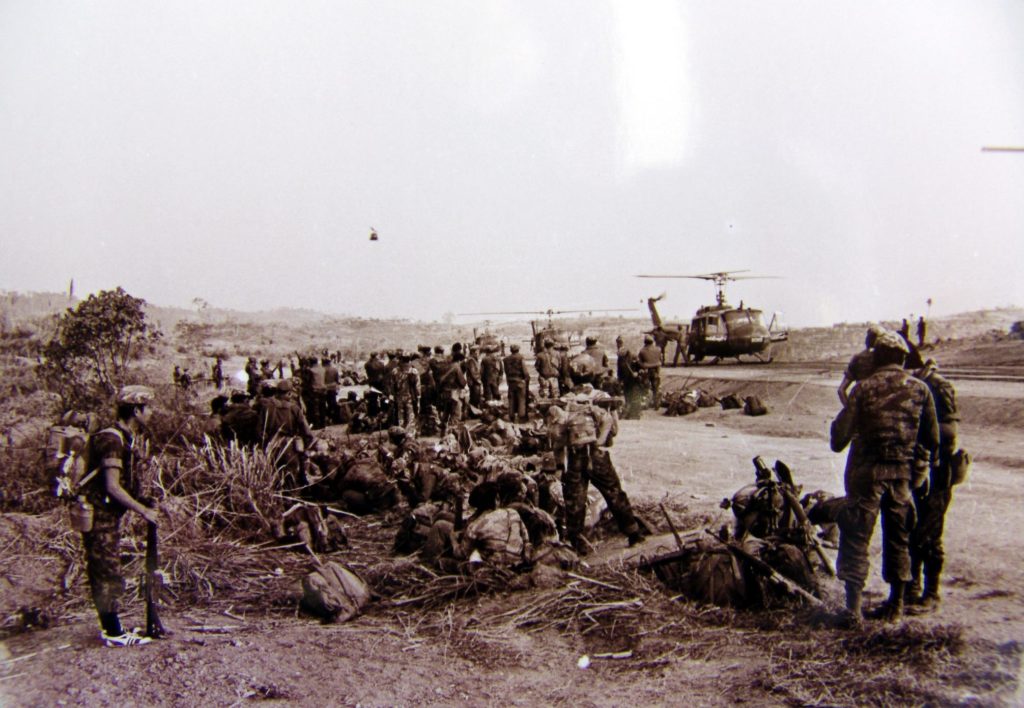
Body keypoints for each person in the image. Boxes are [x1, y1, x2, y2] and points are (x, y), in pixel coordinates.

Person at [830, 331, 938, 625]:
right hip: (901, 476)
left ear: (876, 357)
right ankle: (896, 606)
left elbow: (838, 440)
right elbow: (932, 440)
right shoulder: (921, 390)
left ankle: (853, 609)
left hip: (866, 474)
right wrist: (917, 469)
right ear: (903, 359)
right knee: (899, 538)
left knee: (855, 536)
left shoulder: (863, 389)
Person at [80, 385, 161, 647]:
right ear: (136, 410)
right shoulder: (112, 440)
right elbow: (112, 487)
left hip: (106, 515)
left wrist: (141, 500)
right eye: (148, 408)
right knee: (106, 571)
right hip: (99, 516)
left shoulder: (123, 437)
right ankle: (112, 633)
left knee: (107, 569)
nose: (151, 412)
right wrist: (143, 510)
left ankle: (113, 627)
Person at [562, 394, 644, 554]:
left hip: (575, 457)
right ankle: (633, 533)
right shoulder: (594, 409)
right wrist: (599, 441)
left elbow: (558, 440)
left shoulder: (565, 413)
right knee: (613, 492)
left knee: (575, 500)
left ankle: (578, 544)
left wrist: (560, 466)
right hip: (595, 455)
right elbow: (610, 423)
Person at [909, 358, 960, 610]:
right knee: (911, 528)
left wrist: (920, 433)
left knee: (930, 530)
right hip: (917, 468)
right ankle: (912, 586)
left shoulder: (938, 385)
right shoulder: (914, 384)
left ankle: (931, 592)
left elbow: (950, 431)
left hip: (938, 471)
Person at [838, 325, 886, 407]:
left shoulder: (857, 359)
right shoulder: (885, 359)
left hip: (861, 407)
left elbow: (841, 390)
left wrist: (849, 410)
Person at [616, 336, 643, 419]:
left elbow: (641, 367)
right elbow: (620, 371)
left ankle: (634, 414)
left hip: (632, 380)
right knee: (629, 396)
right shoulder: (622, 358)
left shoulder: (630, 357)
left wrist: (637, 373)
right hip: (628, 380)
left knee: (632, 396)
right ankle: (632, 413)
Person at [503, 343, 530, 423]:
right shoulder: (521, 358)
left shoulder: (506, 359)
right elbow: (525, 371)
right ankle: (521, 417)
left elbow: (506, 371)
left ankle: (511, 416)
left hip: (511, 381)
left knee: (511, 399)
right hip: (520, 381)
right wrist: (526, 379)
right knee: (521, 399)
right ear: (518, 350)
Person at [636, 334, 663, 408]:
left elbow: (639, 362)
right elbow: (661, 359)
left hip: (646, 371)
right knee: (656, 388)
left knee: (645, 388)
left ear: (645, 342)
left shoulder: (642, 351)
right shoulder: (658, 349)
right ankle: (656, 403)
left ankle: (646, 403)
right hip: (656, 370)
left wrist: (642, 365)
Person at [465, 345, 483, 410]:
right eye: (476, 352)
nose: (478, 354)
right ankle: (473, 412)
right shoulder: (471, 360)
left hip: (475, 382)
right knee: (475, 398)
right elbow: (473, 373)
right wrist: (479, 381)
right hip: (474, 383)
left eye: (478, 352)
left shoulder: (474, 360)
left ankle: (474, 411)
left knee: (476, 398)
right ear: (473, 352)